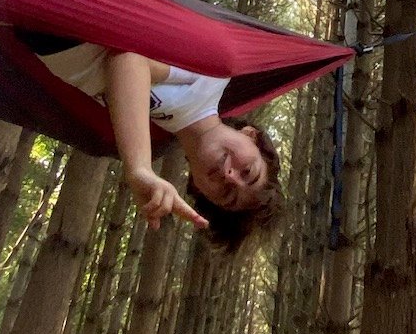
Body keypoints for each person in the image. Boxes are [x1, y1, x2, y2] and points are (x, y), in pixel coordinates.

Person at [15, 34, 282, 249]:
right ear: (251, 135)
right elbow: (127, 60)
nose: (230, 177)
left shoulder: (155, 130)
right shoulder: (212, 76)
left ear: (198, 187)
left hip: (28, 27)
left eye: (226, 194)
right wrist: (139, 167)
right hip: (63, 15)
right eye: (248, 171)